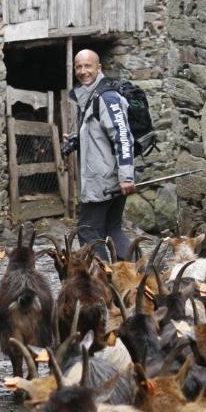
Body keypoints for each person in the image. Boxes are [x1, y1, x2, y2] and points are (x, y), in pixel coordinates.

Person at [67, 49, 135, 260]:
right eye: (78, 66)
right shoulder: (91, 96)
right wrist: (76, 139)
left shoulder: (107, 98)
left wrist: (127, 176)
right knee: (111, 229)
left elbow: (122, 136)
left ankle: (101, 283)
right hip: (104, 177)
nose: (83, 71)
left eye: (88, 66)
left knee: (88, 232)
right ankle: (136, 276)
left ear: (99, 68)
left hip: (104, 180)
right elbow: (99, 134)